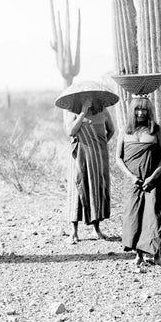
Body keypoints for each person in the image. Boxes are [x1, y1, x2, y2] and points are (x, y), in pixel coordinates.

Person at [116, 96, 161, 272]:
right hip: (133, 181)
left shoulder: (156, 130)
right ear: (132, 111)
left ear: (149, 111)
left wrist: (153, 177)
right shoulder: (125, 131)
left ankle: (156, 254)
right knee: (134, 216)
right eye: (137, 109)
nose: (141, 112)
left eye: (144, 109)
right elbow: (118, 158)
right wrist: (131, 177)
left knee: (153, 215)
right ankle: (138, 254)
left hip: (154, 181)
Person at [64, 95, 115, 244]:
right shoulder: (72, 111)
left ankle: (96, 229)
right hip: (79, 155)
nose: (88, 98)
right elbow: (71, 132)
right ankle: (74, 232)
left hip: (98, 157)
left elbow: (111, 130)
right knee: (77, 188)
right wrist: (82, 113)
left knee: (96, 189)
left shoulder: (103, 111)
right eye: (84, 97)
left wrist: (100, 144)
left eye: (91, 95)